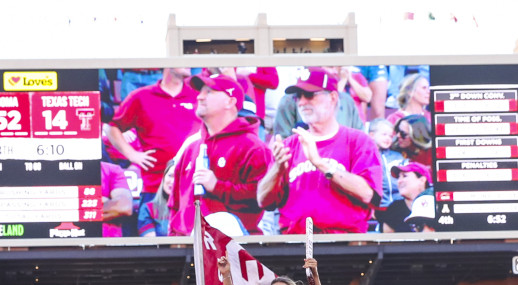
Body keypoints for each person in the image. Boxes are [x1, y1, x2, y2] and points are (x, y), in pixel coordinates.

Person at [257, 68, 383, 235]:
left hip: (345, 245)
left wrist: (320, 164)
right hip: (296, 243)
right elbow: (263, 201)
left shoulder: (358, 141)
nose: (302, 102)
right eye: (298, 97)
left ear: (332, 97)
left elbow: (368, 194)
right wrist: (277, 169)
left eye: (309, 95)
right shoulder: (289, 145)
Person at [168, 72, 272, 236]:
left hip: (234, 252)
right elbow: (175, 206)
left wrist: (217, 186)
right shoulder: (191, 148)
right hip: (189, 251)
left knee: (223, 221)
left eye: (209, 92)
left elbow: (262, 198)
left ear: (230, 101)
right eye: (200, 91)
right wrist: (174, 242)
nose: (200, 97)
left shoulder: (253, 147)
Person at [104, 68, 200, 233]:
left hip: (193, 189)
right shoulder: (141, 97)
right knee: (159, 249)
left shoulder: (199, 95)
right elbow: (112, 127)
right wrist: (132, 154)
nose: (188, 63)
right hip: (155, 189)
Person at [379, 162, 434, 233]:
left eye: (404, 176)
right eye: (398, 177)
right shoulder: (395, 209)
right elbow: (387, 240)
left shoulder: (438, 203)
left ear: (422, 180)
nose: (399, 181)